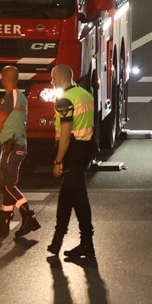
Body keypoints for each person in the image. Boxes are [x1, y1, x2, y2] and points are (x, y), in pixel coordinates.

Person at [46, 63, 96, 264]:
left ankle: (87, 244)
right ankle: (57, 240)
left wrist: (58, 161)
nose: (52, 82)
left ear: (60, 78)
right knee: (66, 197)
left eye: (53, 78)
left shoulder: (65, 101)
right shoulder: (85, 94)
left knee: (79, 198)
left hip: (72, 151)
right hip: (86, 147)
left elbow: (65, 134)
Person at [0, 64, 39, 238]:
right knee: (7, 186)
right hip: (17, 145)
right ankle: (3, 223)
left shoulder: (9, 98)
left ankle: (28, 215)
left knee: (6, 185)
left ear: (5, 78)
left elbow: (0, 122)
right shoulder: (21, 96)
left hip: (12, 146)